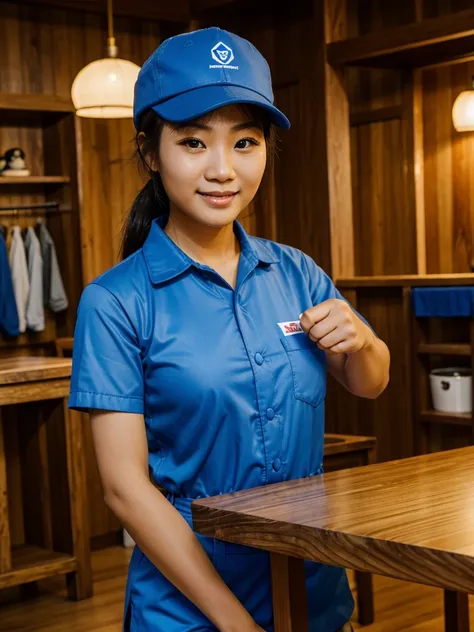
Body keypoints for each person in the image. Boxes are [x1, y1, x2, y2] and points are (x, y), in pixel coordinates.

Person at [68, 26, 390, 632]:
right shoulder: (114, 302)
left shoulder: (296, 270)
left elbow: (369, 382)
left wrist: (366, 341)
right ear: (149, 152)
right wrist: (235, 623)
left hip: (314, 588)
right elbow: (124, 490)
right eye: (193, 142)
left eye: (245, 142)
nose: (223, 170)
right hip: (190, 608)